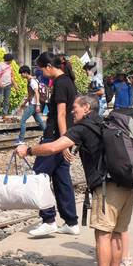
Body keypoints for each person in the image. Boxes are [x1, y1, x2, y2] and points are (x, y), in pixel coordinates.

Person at [18, 94, 133, 266]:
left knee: (103, 236)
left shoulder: (82, 128)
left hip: (107, 189)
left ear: (87, 108)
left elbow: (53, 147)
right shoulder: (106, 123)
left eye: (75, 108)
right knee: (117, 234)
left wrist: (28, 150)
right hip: (127, 185)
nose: (72, 111)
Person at [27, 54, 80, 238]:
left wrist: (62, 143)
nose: (41, 73)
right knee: (61, 179)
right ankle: (71, 222)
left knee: (39, 177)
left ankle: (48, 220)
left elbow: (61, 114)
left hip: (55, 138)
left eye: (41, 69)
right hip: (66, 137)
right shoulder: (68, 81)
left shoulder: (59, 83)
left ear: (49, 66)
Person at [16, 65, 45, 141]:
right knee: (39, 121)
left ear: (25, 73)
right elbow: (30, 95)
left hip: (33, 104)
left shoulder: (32, 81)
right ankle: (48, 136)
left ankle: (21, 140)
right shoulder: (31, 80)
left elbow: (36, 93)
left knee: (23, 121)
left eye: (21, 73)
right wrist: (24, 103)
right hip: (33, 103)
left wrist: (38, 104)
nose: (21, 75)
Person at [0, 53, 15, 118]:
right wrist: (0, 82)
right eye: (11, 60)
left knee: (7, 100)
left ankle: (5, 114)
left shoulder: (10, 66)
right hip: (1, 85)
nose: (11, 61)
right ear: (8, 59)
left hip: (8, 85)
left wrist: (15, 84)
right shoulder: (0, 65)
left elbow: (11, 76)